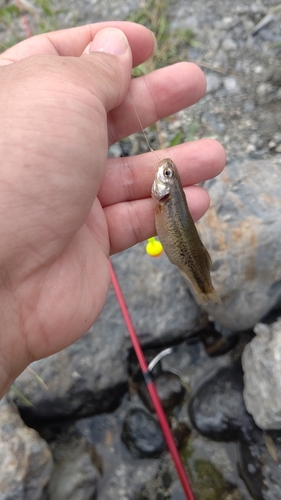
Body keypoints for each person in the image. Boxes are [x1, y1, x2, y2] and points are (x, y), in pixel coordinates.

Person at [0, 22, 225, 397]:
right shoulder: (164, 197)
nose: (162, 171)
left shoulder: (165, 198)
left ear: (165, 186)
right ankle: (204, 284)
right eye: (167, 173)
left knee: (193, 257)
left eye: (165, 173)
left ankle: (204, 284)